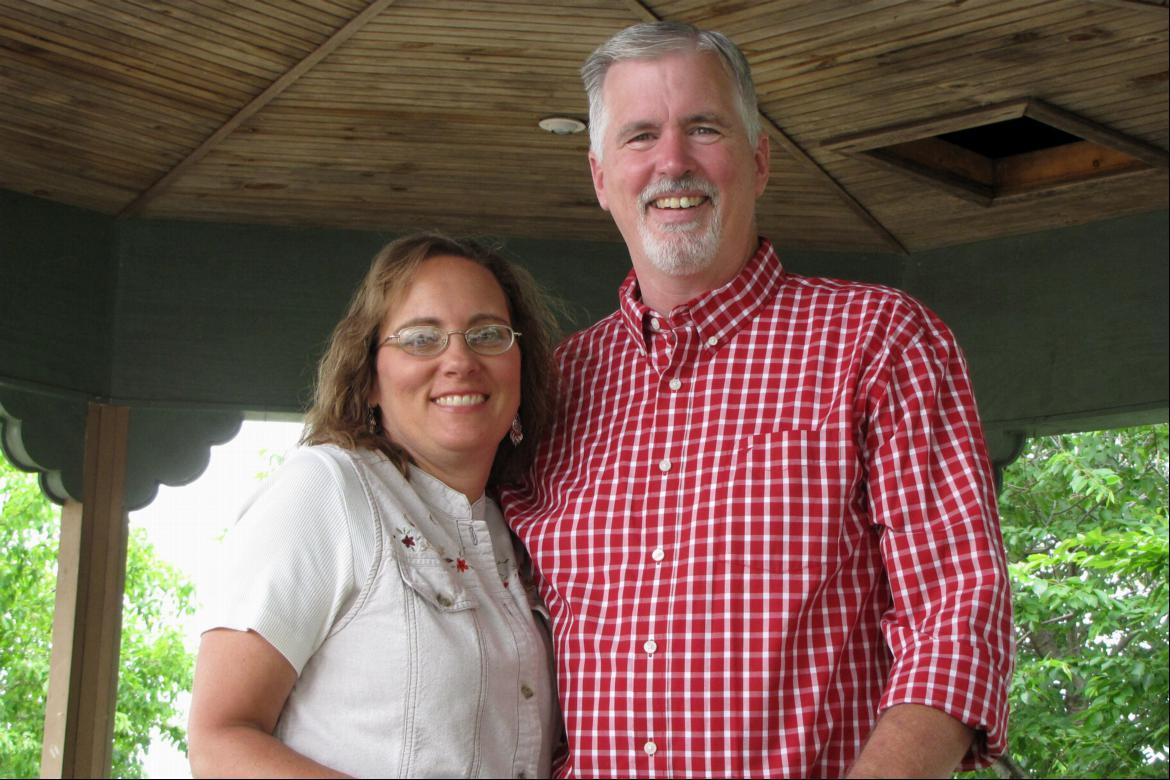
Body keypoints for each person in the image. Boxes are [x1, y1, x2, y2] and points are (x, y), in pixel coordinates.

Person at [499, 21, 1014, 779]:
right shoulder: (553, 385)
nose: (673, 161)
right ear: (601, 178)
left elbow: (956, 618)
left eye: (704, 128)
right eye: (640, 136)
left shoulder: (878, 341)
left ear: (760, 160)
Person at [188, 233, 561, 778]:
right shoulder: (327, 488)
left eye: (487, 334)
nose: (459, 359)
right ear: (369, 379)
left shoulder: (521, 528)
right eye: (421, 338)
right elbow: (219, 742)